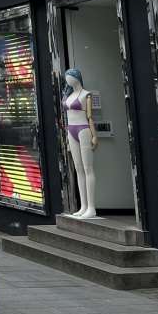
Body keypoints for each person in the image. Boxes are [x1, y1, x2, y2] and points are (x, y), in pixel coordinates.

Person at [63, 67, 98, 218]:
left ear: (77, 78)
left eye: (70, 76)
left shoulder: (86, 94)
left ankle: (91, 206)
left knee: (88, 167)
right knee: (78, 168)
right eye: (66, 77)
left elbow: (90, 117)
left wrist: (94, 136)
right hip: (71, 130)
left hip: (84, 129)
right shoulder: (69, 95)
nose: (68, 79)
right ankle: (83, 205)